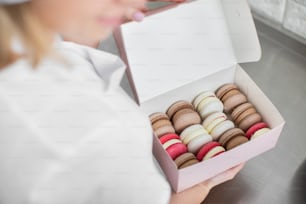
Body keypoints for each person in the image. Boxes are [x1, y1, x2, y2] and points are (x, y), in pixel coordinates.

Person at [0, 0, 245, 203]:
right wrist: (203, 182)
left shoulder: (18, 36)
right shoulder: (109, 129)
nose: (133, 3)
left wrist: (99, 19)